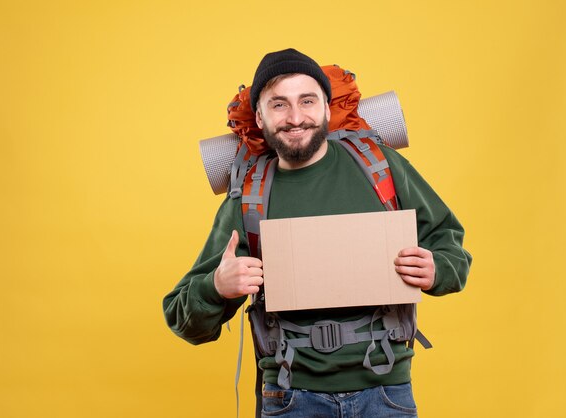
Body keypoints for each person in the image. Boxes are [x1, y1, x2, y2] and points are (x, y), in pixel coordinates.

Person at [163, 48, 472, 417]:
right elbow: (182, 318)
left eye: (307, 101)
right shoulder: (249, 195)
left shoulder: (379, 166)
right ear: (259, 118)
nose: (295, 118)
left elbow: (451, 247)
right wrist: (215, 286)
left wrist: (437, 269)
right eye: (279, 105)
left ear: (326, 108)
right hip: (291, 397)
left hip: (385, 391)